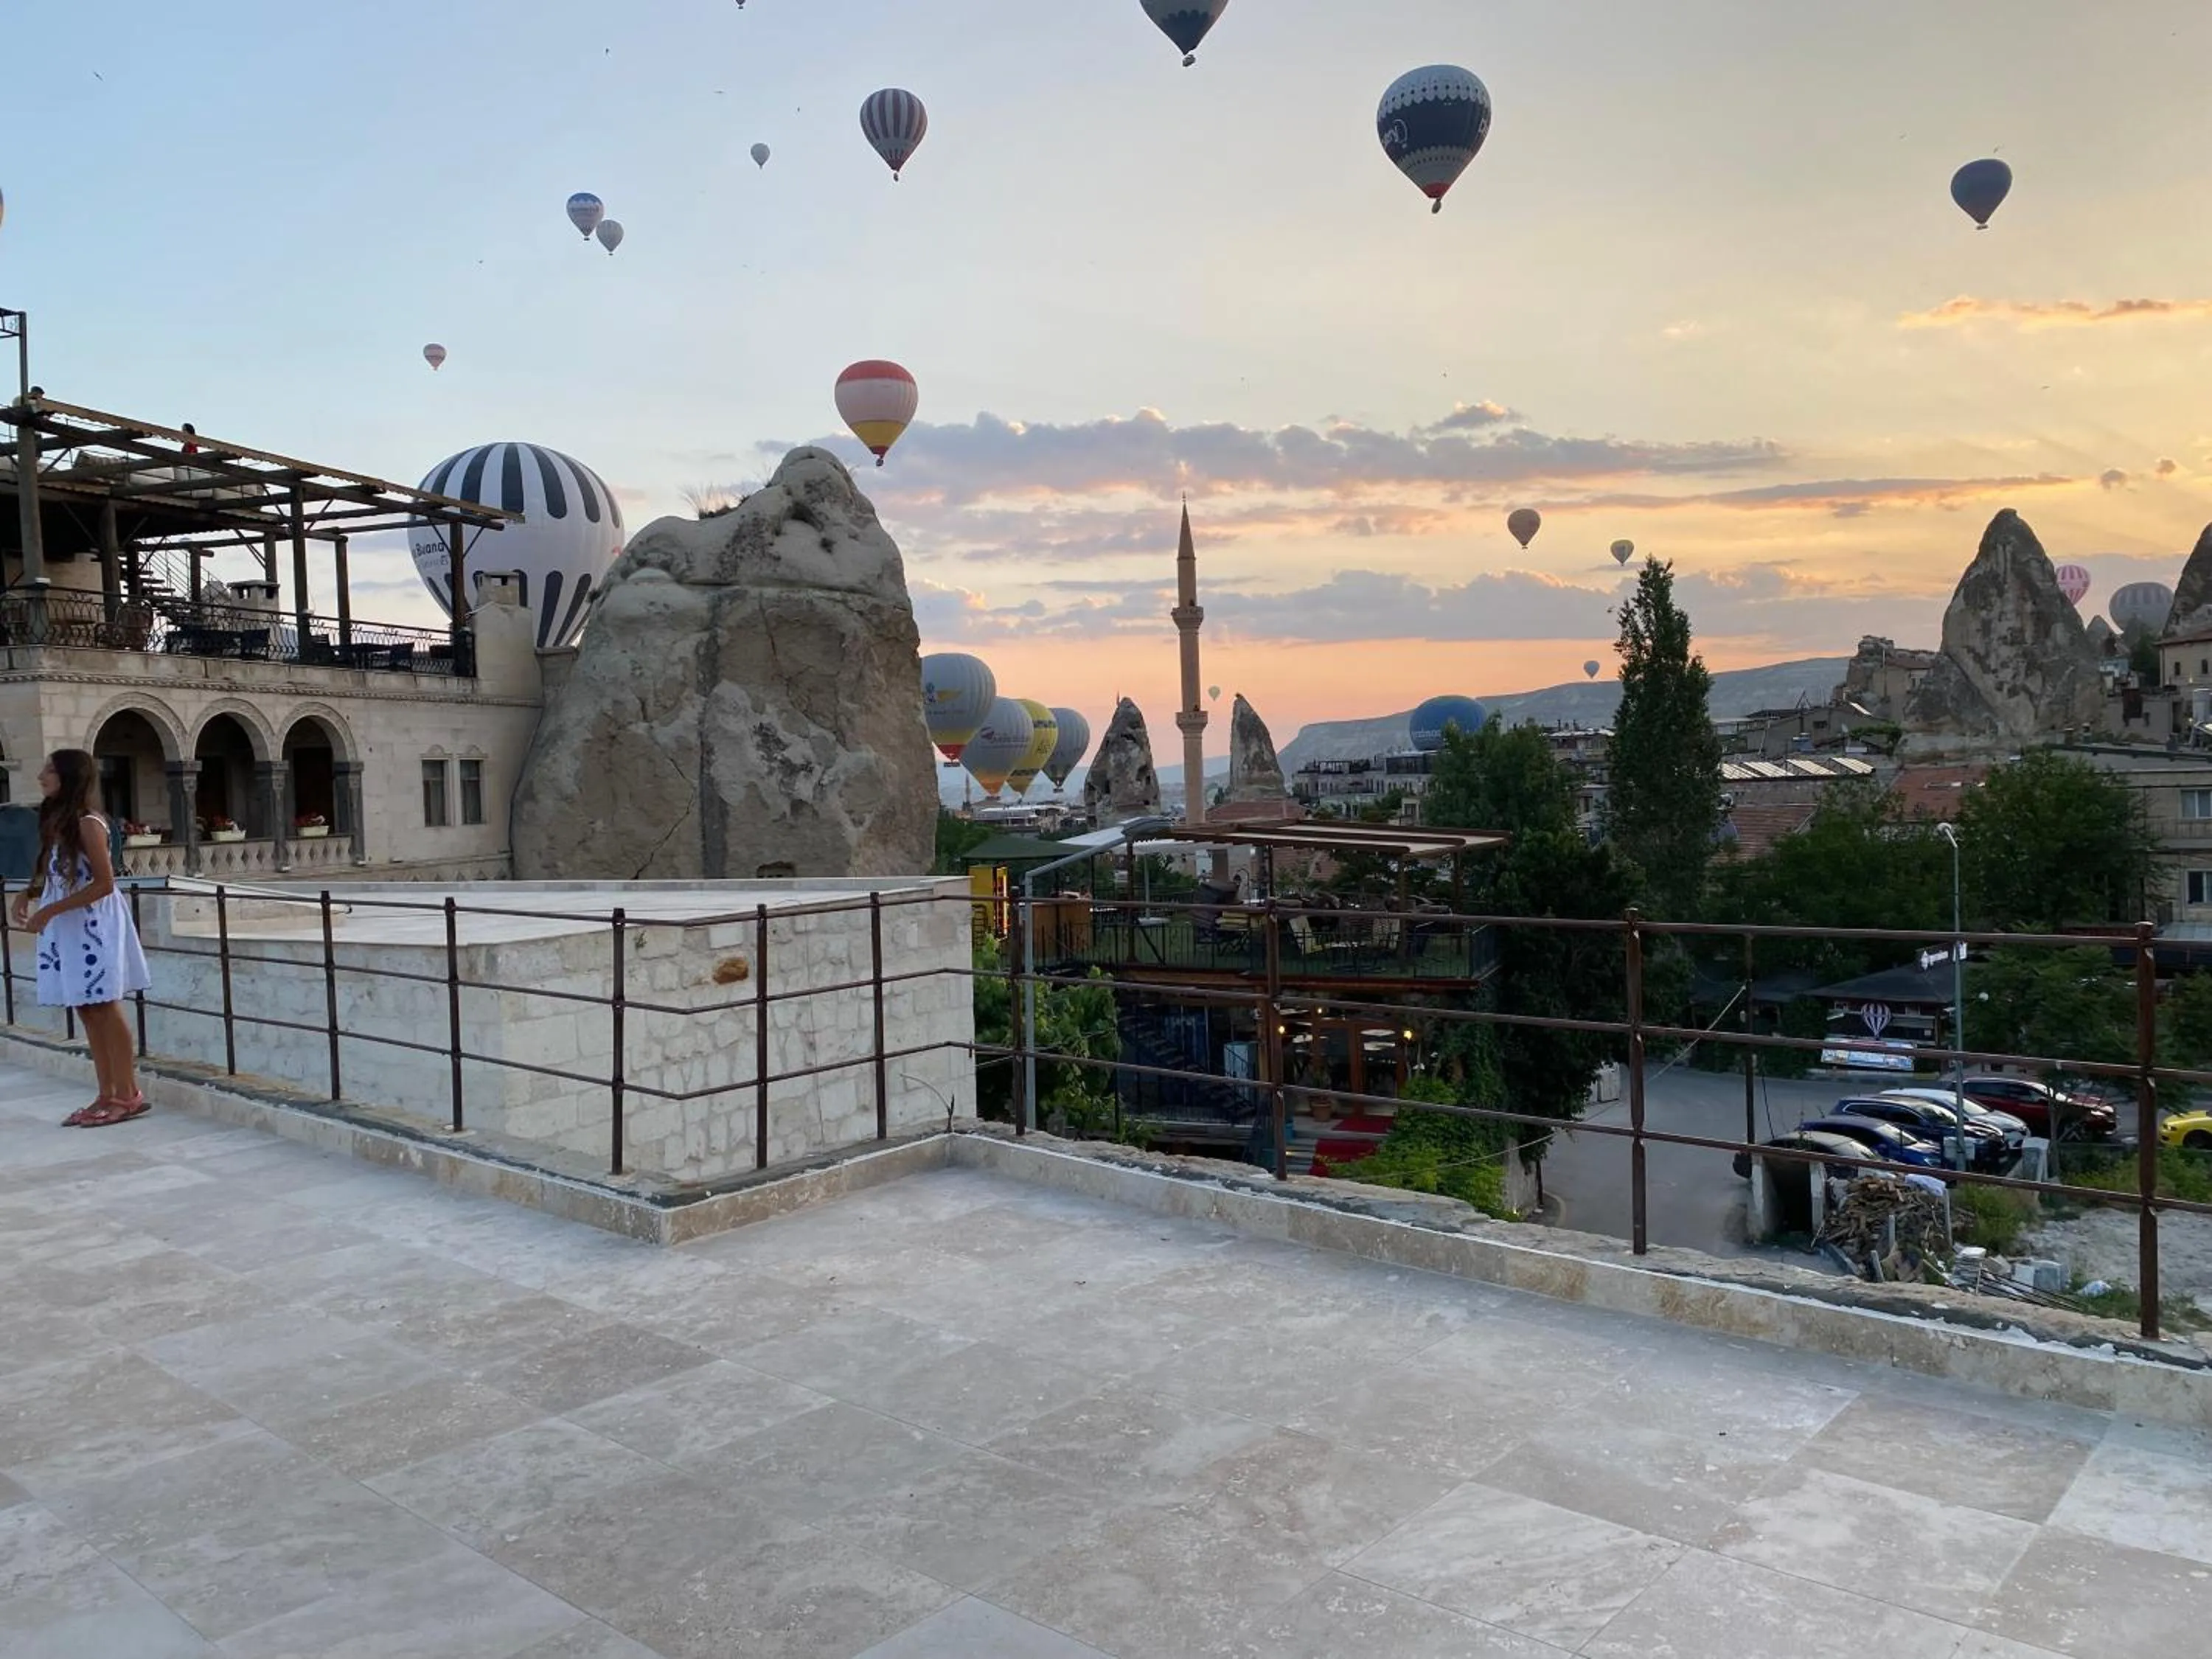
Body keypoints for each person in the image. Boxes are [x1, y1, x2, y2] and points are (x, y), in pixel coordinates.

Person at [8, 750, 152, 1126]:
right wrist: (30, 893)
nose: (41, 776)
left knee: (104, 1004)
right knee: (88, 1008)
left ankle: (128, 1094)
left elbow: (105, 883)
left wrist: (50, 911)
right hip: (71, 925)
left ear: (69, 777)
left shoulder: (89, 823)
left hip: (92, 924)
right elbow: (56, 869)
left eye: (50, 771)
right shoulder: (60, 820)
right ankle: (106, 1093)